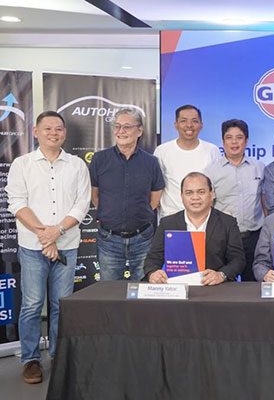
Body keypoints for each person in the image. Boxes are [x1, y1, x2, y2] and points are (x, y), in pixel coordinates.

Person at [5, 111, 90, 384]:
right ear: (35, 132)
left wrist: (57, 232)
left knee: (61, 305)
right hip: (33, 247)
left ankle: (58, 355)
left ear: (65, 133)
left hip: (67, 245)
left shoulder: (77, 165)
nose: (54, 133)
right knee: (31, 305)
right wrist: (46, 236)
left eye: (59, 129)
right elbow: (17, 203)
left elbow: (82, 204)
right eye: (48, 128)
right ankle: (30, 359)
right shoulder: (22, 164)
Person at [89, 108, 164, 281]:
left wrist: (138, 214)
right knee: (109, 291)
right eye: (117, 126)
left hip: (143, 237)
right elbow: (95, 195)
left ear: (139, 131)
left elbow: (155, 195)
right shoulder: (99, 159)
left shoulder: (151, 162)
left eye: (127, 127)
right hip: (109, 238)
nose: (121, 131)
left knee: (144, 288)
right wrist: (111, 213)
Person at [143, 172, 245, 285]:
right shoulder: (167, 223)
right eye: (189, 193)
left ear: (211, 194)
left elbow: (238, 260)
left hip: (215, 288)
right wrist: (153, 273)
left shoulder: (228, 222)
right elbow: (152, 259)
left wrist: (221, 275)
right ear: (181, 196)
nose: (195, 197)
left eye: (201, 192)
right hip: (177, 288)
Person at [204, 119, 265, 281]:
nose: (234, 142)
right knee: (223, 285)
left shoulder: (259, 168)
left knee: (253, 286)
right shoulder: (211, 171)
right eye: (229, 137)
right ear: (223, 141)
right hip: (224, 239)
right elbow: (208, 206)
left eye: (239, 137)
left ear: (247, 141)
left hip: (253, 238)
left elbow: (264, 201)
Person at [154, 104, 220, 218]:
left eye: (194, 121)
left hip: (203, 219)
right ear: (176, 125)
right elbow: (155, 188)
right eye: (183, 121)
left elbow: (216, 188)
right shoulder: (162, 151)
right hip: (171, 218)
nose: (189, 125)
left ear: (201, 125)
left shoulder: (212, 151)